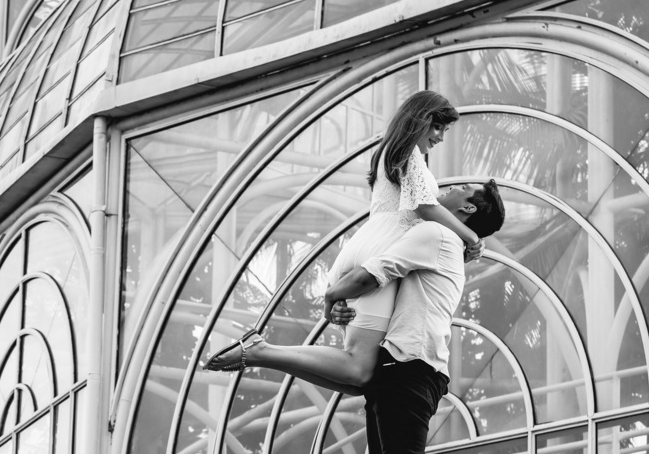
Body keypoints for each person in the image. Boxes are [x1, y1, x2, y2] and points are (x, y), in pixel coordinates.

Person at [203, 90, 481, 390]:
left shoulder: (395, 152)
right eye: (438, 127)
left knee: (359, 381)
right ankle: (259, 351)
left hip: (367, 246)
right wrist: (471, 236)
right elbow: (425, 206)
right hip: (380, 250)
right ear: (422, 119)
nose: (440, 137)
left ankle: (262, 354)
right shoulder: (409, 153)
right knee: (358, 368)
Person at [327, 180, 505, 454]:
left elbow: (376, 271)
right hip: (404, 363)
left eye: (463, 188)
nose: (450, 186)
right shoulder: (443, 234)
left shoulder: (437, 233)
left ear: (470, 209)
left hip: (410, 363)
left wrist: (331, 297)